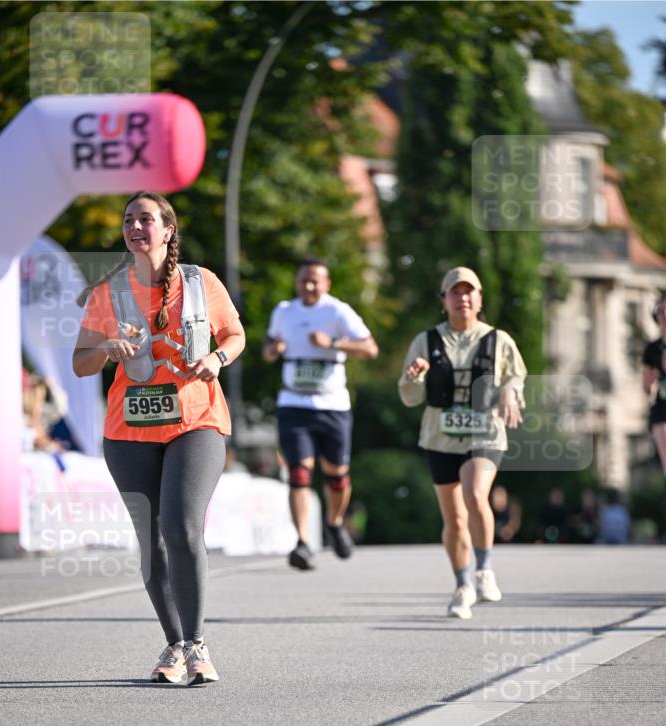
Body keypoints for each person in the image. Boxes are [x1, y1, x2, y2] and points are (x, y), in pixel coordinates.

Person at [72, 192, 245, 685]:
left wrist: (216, 359)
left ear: (168, 230)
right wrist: (105, 347)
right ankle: (174, 645)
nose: (135, 226)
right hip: (128, 431)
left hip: (197, 420)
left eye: (146, 218)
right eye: (129, 220)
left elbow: (235, 335)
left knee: (182, 525)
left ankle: (197, 644)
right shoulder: (108, 293)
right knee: (152, 539)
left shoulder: (200, 282)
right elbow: (80, 363)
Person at [398, 266, 526, 619]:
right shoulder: (426, 342)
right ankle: (462, 585)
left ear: (480, 299)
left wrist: (512, 393)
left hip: (485, 433)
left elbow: (516, 375)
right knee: (454, 519)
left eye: (469, 291)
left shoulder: (498, 339)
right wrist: (414, 378)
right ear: (444, 301)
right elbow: (409, 396)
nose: (463, 297)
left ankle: (484, 569)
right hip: (440, 437)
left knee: (474, 495)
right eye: (455, 292)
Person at [263, 258, 379, 570]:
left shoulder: (337, 311)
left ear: (327, 284)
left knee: (337, 475)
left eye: (316, 281)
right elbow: (269, 348)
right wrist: (274, 350)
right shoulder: (284, 311)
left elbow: (370, 348)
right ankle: (302, 542)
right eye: (304, 280)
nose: (310, 286)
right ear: (297, 282)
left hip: (332, 405)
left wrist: (334, 343)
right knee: (299, 473)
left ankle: (335, 521)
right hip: (293, 403)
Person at [642, 295, 666, 476]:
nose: (664, 315)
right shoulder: (652, 349)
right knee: (661, 430)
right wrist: (650, 383)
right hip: (662, 404)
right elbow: (647, 387)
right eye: (660, 312)